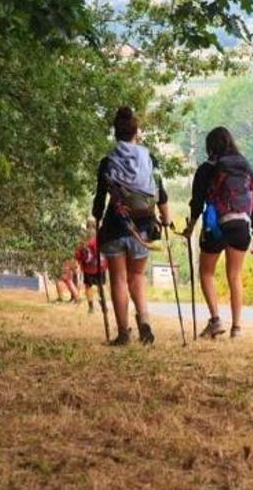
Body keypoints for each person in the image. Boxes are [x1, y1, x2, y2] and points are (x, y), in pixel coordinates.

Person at [92, 106, 171, 346]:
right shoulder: (150, 159)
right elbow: (161, 194)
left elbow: (99, 201)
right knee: (136, 276)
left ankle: (123, 333)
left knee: (118, 279)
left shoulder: (107, 162)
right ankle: (144, 319)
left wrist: (97, 218)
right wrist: (166, 220)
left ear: (116, 134)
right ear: (136, 132)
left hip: (116, 226)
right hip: (144, 228)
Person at [183, 127, 253, 339]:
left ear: (211, 146)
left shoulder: (207, 168)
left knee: (206, 272)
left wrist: (190, 227)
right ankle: (236, 328)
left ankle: (216, 320)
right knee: (235, 276)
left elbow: (197, 203)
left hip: (216, 226)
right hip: (241, 226)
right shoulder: (244, 166)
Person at [75, 218, 107, 314]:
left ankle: (91, 307)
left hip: (88, 268)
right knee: (100, 287)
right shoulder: (101, 236)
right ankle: (103, 305)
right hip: (101, 266)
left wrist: (79, 261)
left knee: (88, 286)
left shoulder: (83, 239)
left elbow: (78, 254)